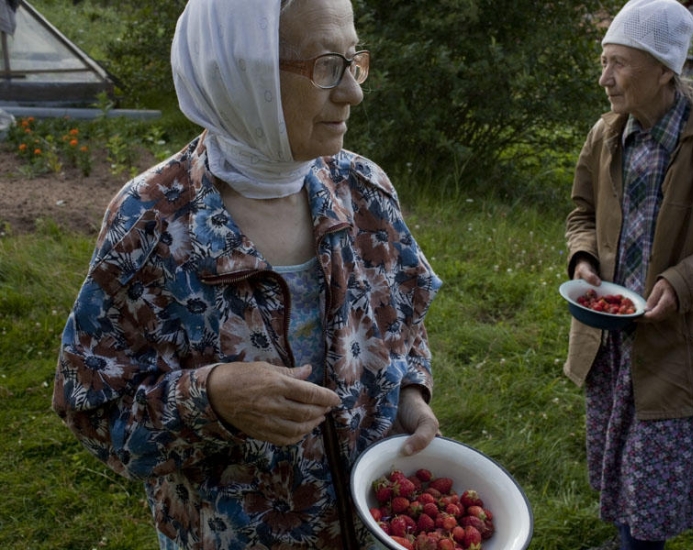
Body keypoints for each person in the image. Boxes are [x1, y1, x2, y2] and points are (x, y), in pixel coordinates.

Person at [52, 0, 442, 549]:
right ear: (239, 72)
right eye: (326, 66)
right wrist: (210, 399)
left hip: (373, 529)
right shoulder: (151, 221)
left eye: (354, 61)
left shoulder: (363, 190)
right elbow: (94, 412)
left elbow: (403, 324)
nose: (353, 91)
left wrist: (410, 394)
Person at [563, 0, 693, 548]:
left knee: (652, 489)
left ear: (664, 70)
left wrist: (682, 284)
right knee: (619, 470)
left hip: (678, 347)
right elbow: (581, 213)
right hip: (611, 341)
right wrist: (584, 258)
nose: (604, 78)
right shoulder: (606, 134)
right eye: (604, 61)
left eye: (619, 63)